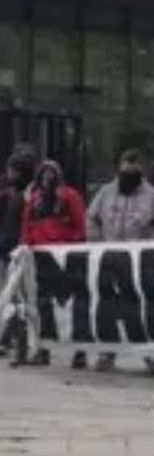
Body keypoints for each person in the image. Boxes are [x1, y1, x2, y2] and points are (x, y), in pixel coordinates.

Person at [87, 150, 154, 372]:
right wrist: (96, 245)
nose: (128, 176)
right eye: (125, 171)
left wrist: (151, 242)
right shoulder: (105, 192)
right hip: (109, 257)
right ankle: (107, 352)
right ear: (118, 169)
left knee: (141, 307)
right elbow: (92, 219)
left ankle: (149, 355)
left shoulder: (152, 196)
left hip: (139, 259)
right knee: (108, 306)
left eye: (134, 172)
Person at [14, 159, 87, 368]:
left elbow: (80, 225)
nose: (48, 177)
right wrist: (25, 248)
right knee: (42, 305)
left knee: (72, 304)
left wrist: (73, 247)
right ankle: (43, 349)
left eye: (52, 172)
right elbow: (26, 227)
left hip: (65, 256)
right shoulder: (34, 200)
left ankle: (79, 350)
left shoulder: (70, 196)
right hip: (40, 258)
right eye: (44, 173)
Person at [0, 149, 36, 360]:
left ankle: (14, 339)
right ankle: (7, 336)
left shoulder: (29, 196)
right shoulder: (9, 195)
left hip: (19, 252)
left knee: (17, 298)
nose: (10, 175)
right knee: (9, 297)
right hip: (7, 250)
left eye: (13, 171)